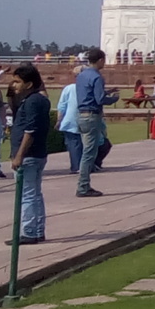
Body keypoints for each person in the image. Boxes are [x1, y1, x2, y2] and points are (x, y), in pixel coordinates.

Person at [7, 62, 51, 244]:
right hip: (37, 154)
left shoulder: (32, 101)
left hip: (29, 155)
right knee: (34, 193)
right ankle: (37, 229)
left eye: (17, 82)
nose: (14, 85)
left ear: (29, 84)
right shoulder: (39, 100)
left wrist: (19, 155)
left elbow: (30, 130)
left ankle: (29, 232)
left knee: (27, 195)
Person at [75, 47, 118, 197]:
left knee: (87, 151)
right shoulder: (97, 77)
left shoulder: (82, 75)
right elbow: (99, 99)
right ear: (100, 60)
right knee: (89, 153)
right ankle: (83, 186)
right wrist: (113, 98)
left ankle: (83, 184)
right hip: (92, 116)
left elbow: (89, 94)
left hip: (81, 115)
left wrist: (106, 92)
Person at [55, 63, 84, 173]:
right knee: (82, 144)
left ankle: (76, 166)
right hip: (84, 119)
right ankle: (81, 166)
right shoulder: (87, 88)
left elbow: (62, 106)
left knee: (73, 145)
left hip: (70, 120)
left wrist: (59, 121)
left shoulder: (69, 88)